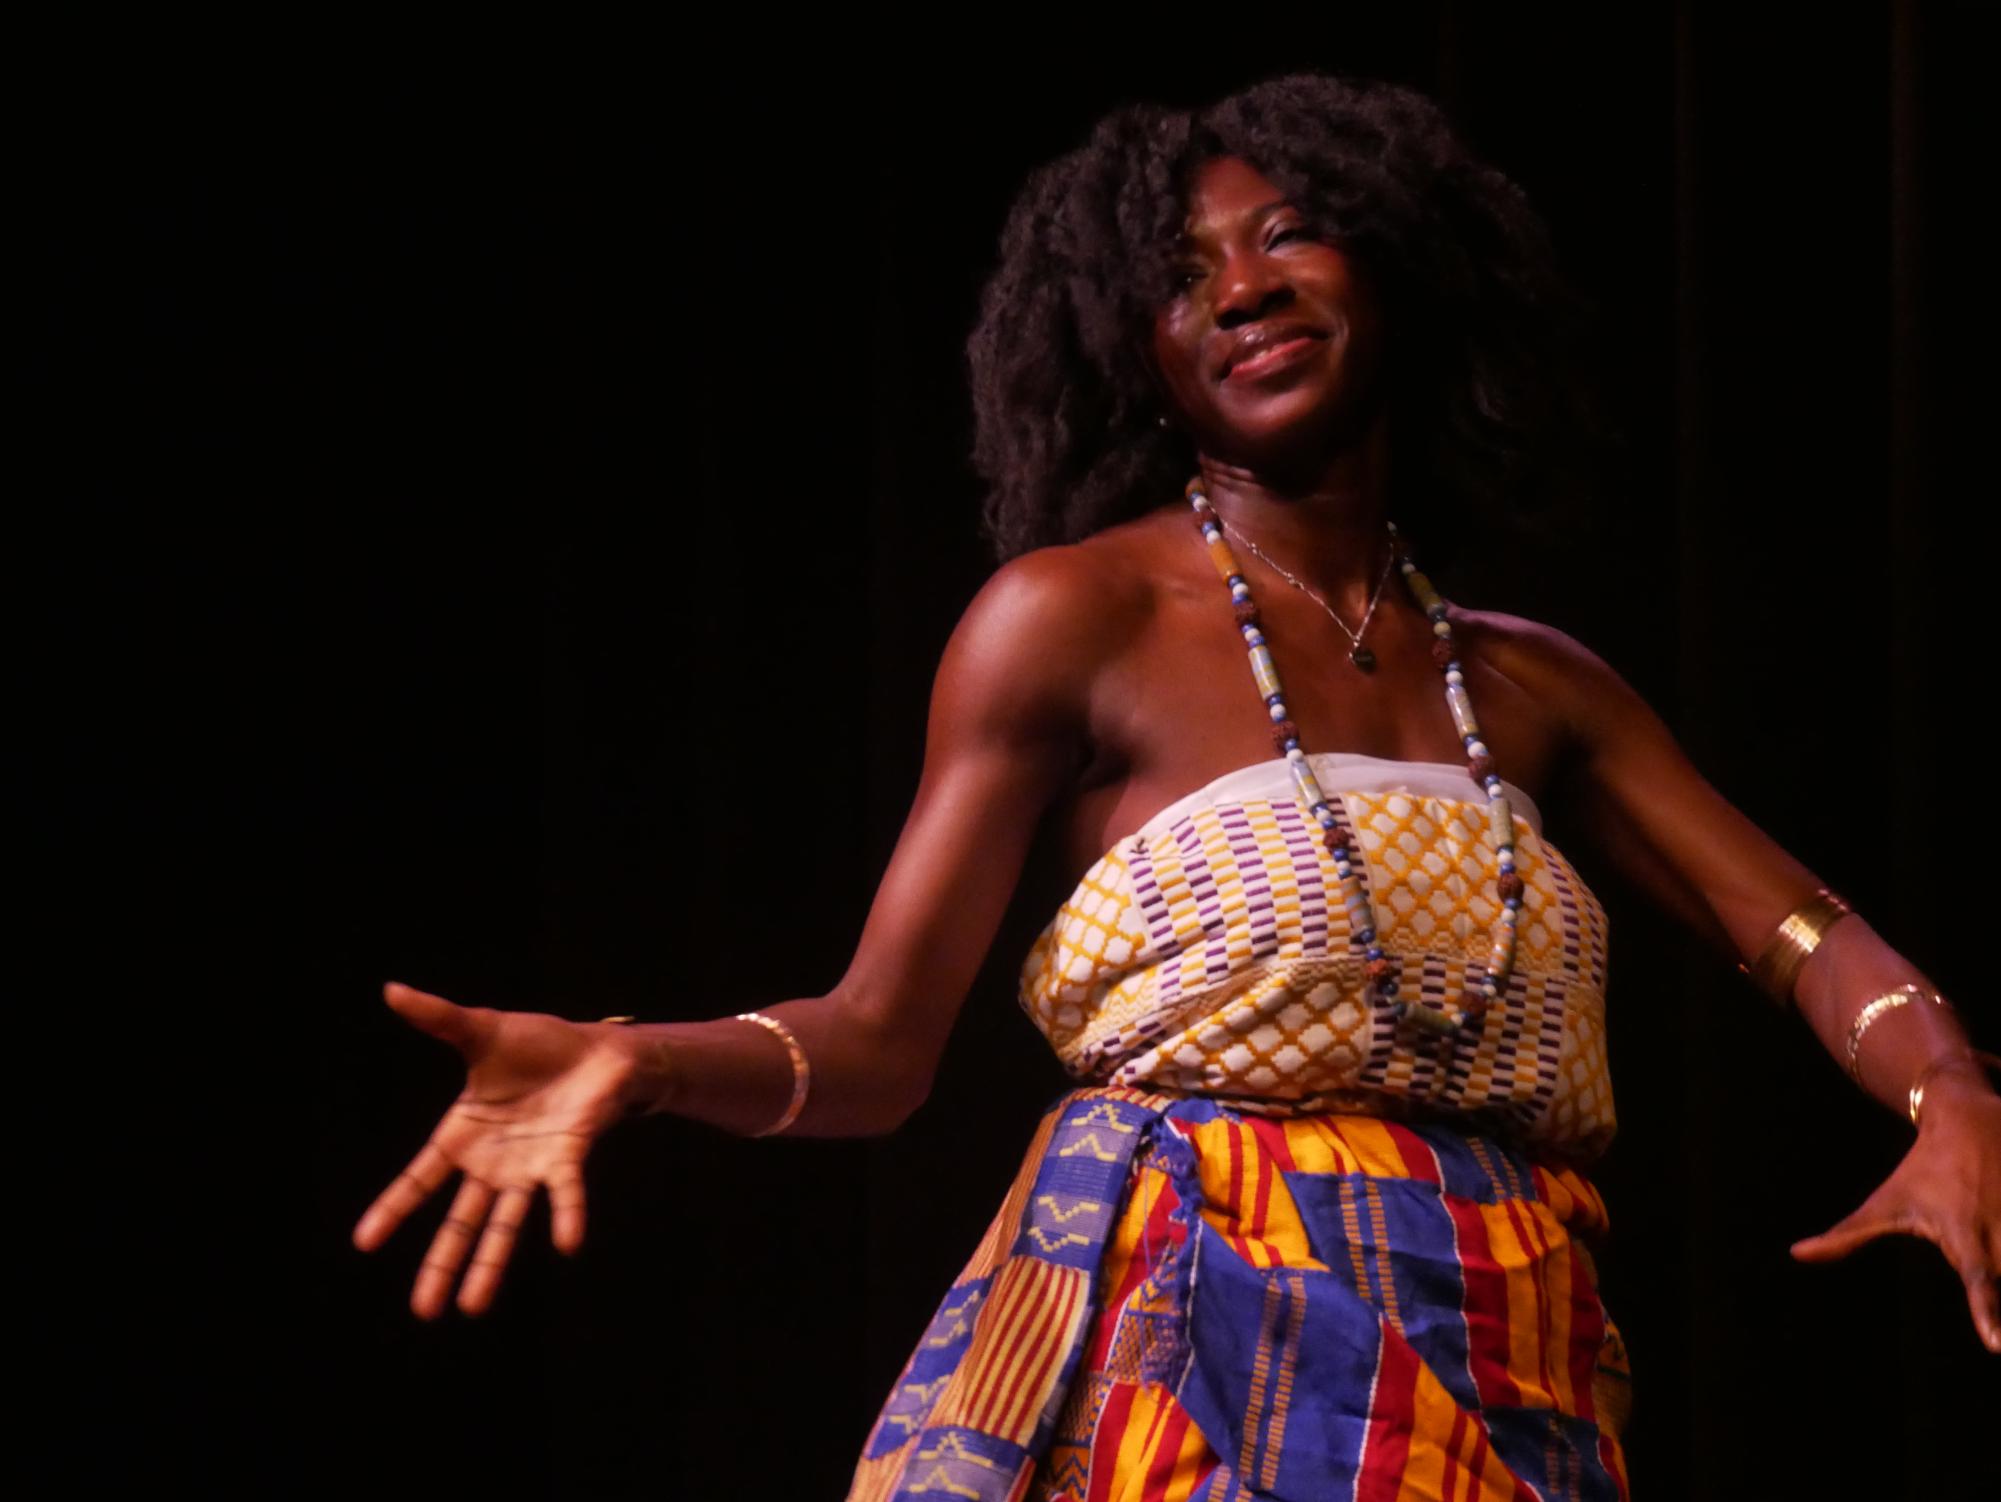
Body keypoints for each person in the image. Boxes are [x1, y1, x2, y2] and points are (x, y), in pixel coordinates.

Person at [352, 73, 2001, 1500]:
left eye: (1284, 233)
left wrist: (1951, 1094)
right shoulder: (1072, 620)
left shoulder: (1533, 682)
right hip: (1186, 1328)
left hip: (1503, 1334)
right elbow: (876, 1042)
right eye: (1179, 274)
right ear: (1136, 356)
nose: (1237, 288)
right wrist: (634, 1059)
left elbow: (1798, 931)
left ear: (1395, 267)